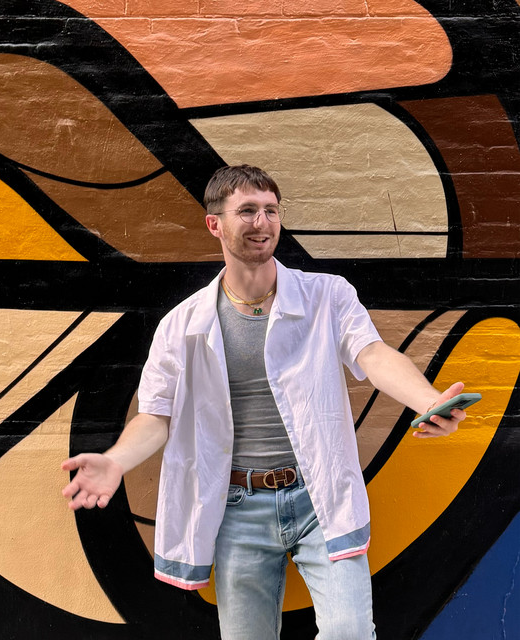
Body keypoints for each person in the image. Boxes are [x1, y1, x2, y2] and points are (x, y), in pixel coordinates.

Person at [62, 165, 466, 640]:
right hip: (239, 508)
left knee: (351, 632)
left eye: (271, 210)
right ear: (214, 224)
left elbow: (372, 355)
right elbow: (156, 416)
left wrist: (429, 400)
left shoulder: (327, 296)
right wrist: (115, 461)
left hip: (318, 495)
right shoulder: (181, 325)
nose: (263, 222)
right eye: (248, 211)